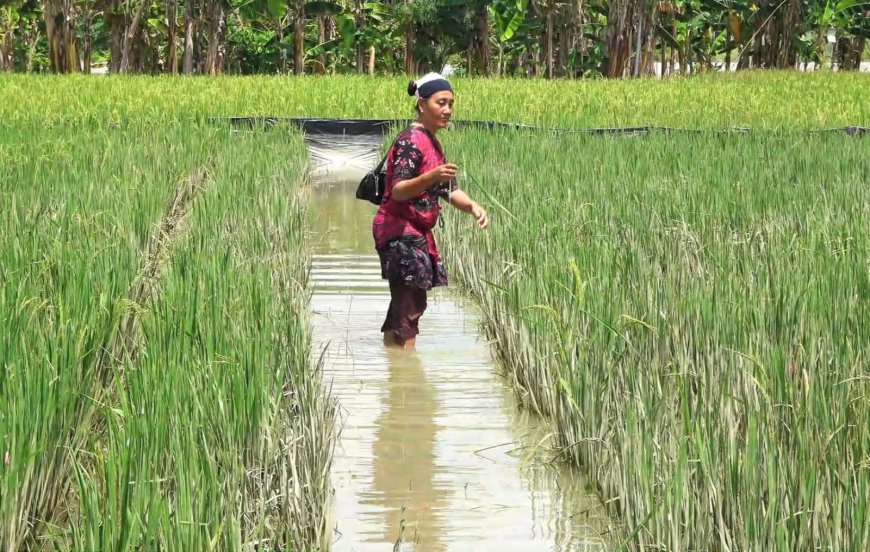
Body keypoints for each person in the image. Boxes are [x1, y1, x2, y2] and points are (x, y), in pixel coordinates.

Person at [372, 69, 489, 350]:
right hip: (399, 232)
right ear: (422, 103)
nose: (448, 110)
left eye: (451, 104)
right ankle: (405, 374)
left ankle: (395, 360)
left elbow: (449, 190)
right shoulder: (411, 141)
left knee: (405, 302)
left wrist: (473, 206)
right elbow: (399, 190)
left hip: (413, 232)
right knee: (410, 303)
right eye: (441, 102)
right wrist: (432, 176)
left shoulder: (432, 142)